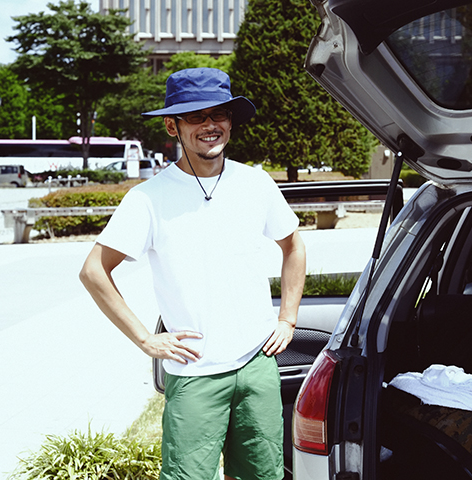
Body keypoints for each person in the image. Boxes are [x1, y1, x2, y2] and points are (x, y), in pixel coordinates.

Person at [79, 67, 306, 480]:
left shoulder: (255, 183)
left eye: (219, 114)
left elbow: (293, 246)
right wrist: (145, 339)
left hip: (257, 364)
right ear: (173, 126)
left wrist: (287, 318)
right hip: (194, 374)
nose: (210, 125)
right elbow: (94, 271)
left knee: (263, 475)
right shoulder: (147, 199)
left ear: (230, 121)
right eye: (196, 116)